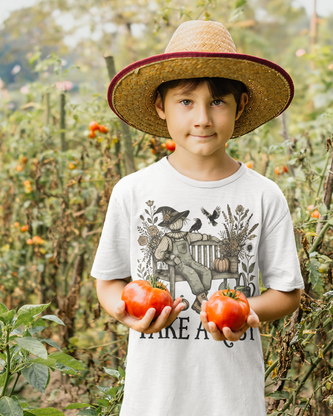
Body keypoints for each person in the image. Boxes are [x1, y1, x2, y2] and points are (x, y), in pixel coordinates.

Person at [91, 20, 305, 416]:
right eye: (186, 102)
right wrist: (124, 312)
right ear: (161, 106)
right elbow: (109, 281)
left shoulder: (263, 195)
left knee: (203, 277)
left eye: (218, 102)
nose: (203, 118)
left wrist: (249, 311)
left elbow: (288, 292)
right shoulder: (133, 191)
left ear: (240, 106)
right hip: (153, 397)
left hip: (232, 396)